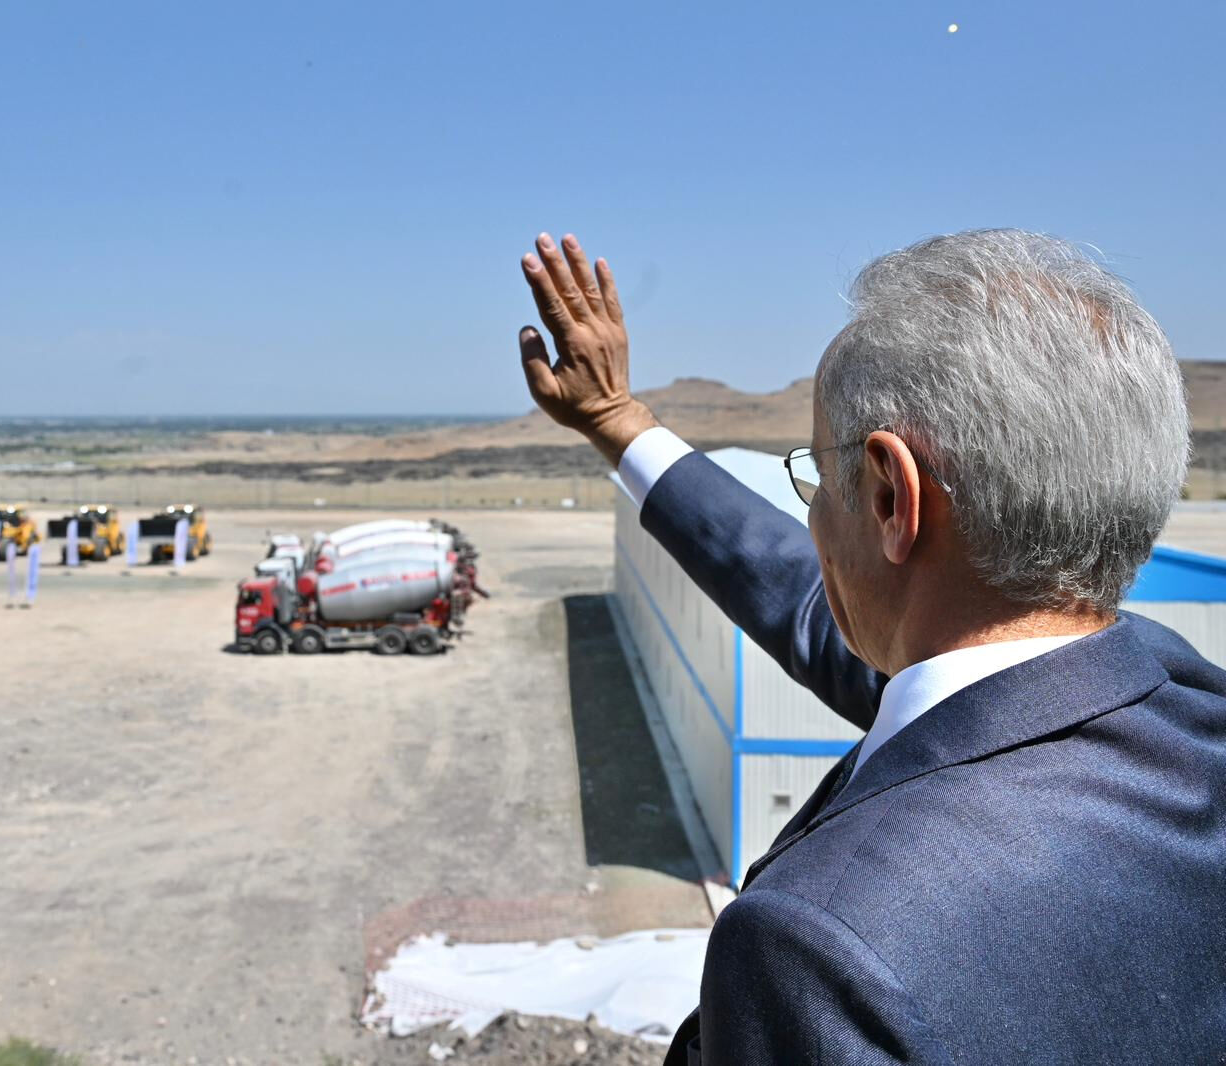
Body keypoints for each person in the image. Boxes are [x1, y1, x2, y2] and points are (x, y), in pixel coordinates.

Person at [516, 229, 1226, 1064]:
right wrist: (619, 423)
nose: (812, 518)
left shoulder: (819, 951)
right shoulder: (1185, 709)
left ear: (892, 496)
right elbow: (806, 605)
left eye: (814, 478)